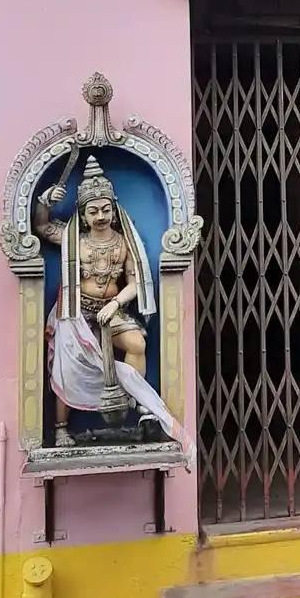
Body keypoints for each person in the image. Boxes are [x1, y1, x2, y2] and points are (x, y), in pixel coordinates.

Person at [34, 155, 184, 449]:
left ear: (113, 210)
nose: (100, 216)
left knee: (137, 344)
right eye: (92, 211)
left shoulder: (124, 242)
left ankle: (137, 404)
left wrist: (115, 305)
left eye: (105, 209)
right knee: (67, 369)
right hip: (76, 312)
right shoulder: (72, 238)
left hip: (111, 310)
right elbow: (41, 226)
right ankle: (61, 427)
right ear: (83, 214)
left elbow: (135, 284)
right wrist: (45, 199)